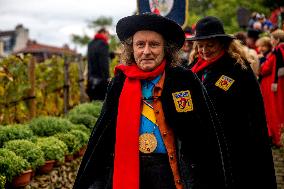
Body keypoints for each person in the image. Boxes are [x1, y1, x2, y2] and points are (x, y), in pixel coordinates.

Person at [73, 13, 231, 189]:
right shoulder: (119, 83)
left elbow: (206, 139)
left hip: (173, 176)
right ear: (131, 49)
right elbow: (101, 142)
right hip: (132, 176)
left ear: (166, 48)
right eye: (140, 44)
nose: (146, 51)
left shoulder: (184, 81)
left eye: (154, 44)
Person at [187, 16, 277, 189]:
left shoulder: (237, 68)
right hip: (203, 148)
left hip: (234, 148)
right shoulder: (192, 70)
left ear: (221, 43)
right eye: (200, 45)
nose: (204, 50)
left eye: (210, 45)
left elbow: (253, 112)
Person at [259, 29, 284, 147]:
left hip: (271, 84)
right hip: (276, 83)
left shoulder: (276, 52)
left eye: (273, 38)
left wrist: (262, 66)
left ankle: (276, 138)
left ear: (277, 40)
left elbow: (266, 69)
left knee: (272, 111)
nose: (272, 41)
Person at [86, 28, 110, 101]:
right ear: (103, 33)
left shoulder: (90, 44)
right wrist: (107, 78)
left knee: (93, 102)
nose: (108, 37)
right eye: (107, 34)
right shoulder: (103, 44)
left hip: (91, 80)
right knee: (102, 104)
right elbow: (104, 63)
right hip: (101, 81)